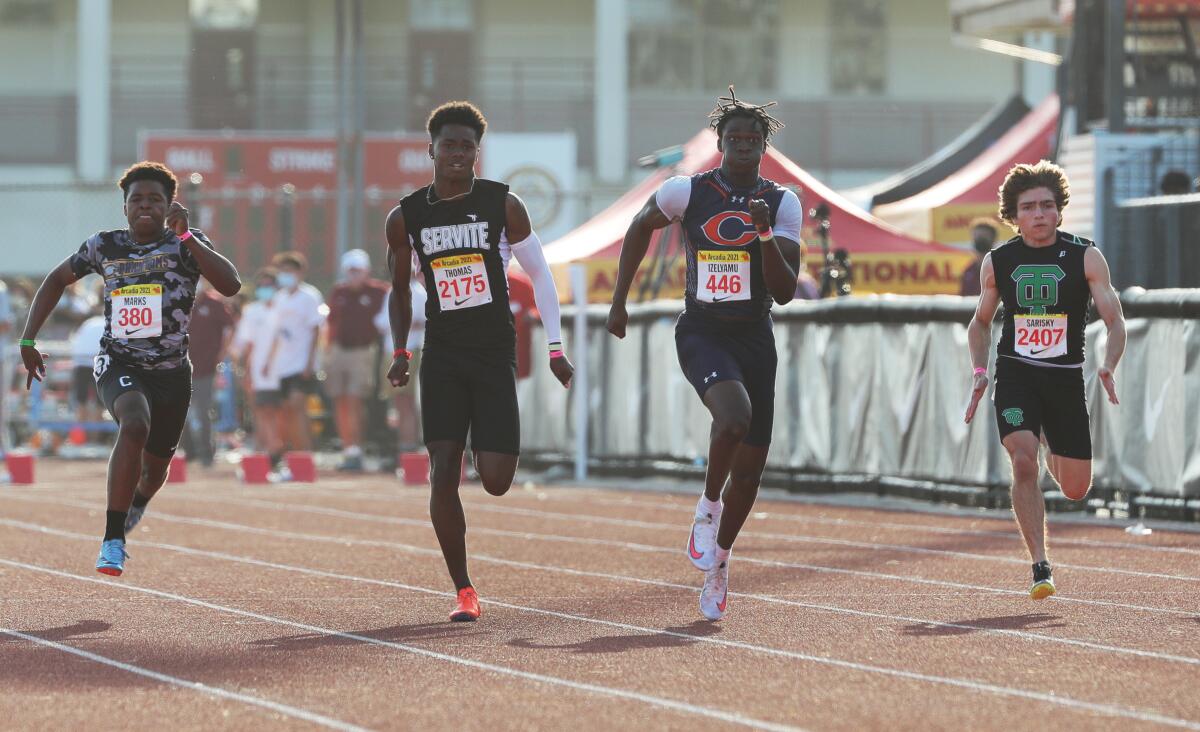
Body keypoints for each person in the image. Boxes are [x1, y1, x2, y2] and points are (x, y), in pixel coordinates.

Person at [606, 87, 802, 621]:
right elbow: (637, 228)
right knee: (733, 418)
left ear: (764, 146)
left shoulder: (783, 203)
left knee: (753, 471)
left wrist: (762, 234)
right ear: (719, 142)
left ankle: (719, 563)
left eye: (752, 139)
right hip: (702, 330)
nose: (742, 146)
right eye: (733, 138)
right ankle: (706, 505)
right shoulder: (685, 192)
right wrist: (620, 301)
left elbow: (784, 291)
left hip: (754, 336)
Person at [384, 101, 573, 622]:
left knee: (495, 479)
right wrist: (401, 350)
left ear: (477, 153)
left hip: (493, 353)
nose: (458, 154)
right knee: (442, 471)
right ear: (432, 150)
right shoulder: (407, 216)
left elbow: (542, 276)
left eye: (467, 146)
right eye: (449, 145)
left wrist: (555, 347)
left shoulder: (503, 205)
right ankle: (464, 589)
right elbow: (400, 291)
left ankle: (481, 440)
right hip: (441, 353)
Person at [19, 161, 241, 576]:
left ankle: (138, 501)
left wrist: (188, 236)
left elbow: (230, 285)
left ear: (170, 205)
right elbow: (55, 279)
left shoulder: (185, 244)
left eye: (154, 200)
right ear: (124, 207)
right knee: (134, 424)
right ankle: (112, 539)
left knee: (156, 469)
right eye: (136, 199)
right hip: (119, 361)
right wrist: (29, 339)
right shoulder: (104, 246)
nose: (145, 207)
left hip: (173, 373)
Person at [964, 160, 1126, 600]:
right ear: (1013, 216)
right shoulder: (999, 261)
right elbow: (979, 323)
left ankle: (1053, 440)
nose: (1039, 214)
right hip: (1016, 375)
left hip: (1065, 380)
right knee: (1022, 461)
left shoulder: (1086, 256)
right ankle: (1040, 564)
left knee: (1075, 489)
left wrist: (1108, 364)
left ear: (1059, 210)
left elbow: (1114, 320)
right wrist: (980, 373)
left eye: (1047, 206)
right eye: (1029, 207)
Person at [326, 248, 389, 471]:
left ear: (366, 271)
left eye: (358, 270)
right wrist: (328, 351)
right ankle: (348, 448)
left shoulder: (379, 292)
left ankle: (358, 449)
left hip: (364, 351)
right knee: (339, 400)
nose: (354, 275)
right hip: (339, 351)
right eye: (350, 270)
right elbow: (331, 323)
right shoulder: (339, 292)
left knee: (355, 400)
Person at [262, 251, 324, 461]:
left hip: (301, 364)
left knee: (298, 408)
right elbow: (276, 334)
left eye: (289, 270)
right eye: (282, 270)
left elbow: (316, 330)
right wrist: (269, 361)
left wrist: (309, 363)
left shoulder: (310, 296)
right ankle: (294, 457)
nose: (285, 274)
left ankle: (306, 456)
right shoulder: (279, 298)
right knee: (287, 412)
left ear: (300, 272)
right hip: (283, 365)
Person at [233, 268, 285, 464]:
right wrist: (246, 370)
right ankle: (267, 451)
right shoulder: (252, 311)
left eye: (269, 285)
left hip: (283, 370)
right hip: (259, 372)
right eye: (262, 286)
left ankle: (277, 449)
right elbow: (247, 344)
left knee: (278, 411)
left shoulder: (283, 309)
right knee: (261, 410)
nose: (265, 289)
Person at [184, 279, 235, 466]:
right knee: (180, 413)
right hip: (181, 368)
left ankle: (206, 453)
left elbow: (229, 328)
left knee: (204, 411)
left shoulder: (214, 303)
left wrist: (222, 353)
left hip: (206, 367)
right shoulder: (180, 300)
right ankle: (188, 451)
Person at [375, 269, 427, 454]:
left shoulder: (418, 292)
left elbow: (419, 321)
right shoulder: (393, 291)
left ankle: (409, 447)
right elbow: (381, 322)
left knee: (407, 402)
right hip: (393, 352)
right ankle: (404, 447)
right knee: (399, 402)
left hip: (409, 351)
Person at [69, 313, 107, 431]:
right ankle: (94, 439)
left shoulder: (88, 323)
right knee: (99, 404)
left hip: (81, 362)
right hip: (99, 362)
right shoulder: (105, 323)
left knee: (81, 402)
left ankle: (81, 438)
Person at [959, 217, 1000, 296]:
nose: (979, 239)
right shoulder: (968, 270)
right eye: (977, 236)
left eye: (984, 236)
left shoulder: (1001, 268)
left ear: (993, 239)